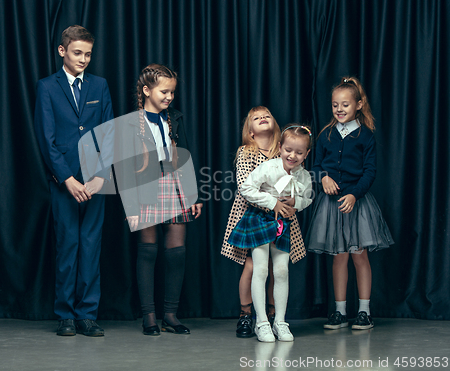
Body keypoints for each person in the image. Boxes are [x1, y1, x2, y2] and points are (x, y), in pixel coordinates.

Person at [34, 25, 114, 336]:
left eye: (88, 54)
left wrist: (100, 177)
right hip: (64, 182)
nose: (83, 59)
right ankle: (65, 314)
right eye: (77, 53)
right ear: (62, 51)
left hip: (95, 182)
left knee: (91, 246)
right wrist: (66, 178)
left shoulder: (100, 85)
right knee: (67, 246)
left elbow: (108, 134)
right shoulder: (47, 87)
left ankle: (87, 315)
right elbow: (46, 138)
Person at [118, 64, 203, 336]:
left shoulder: (174, 118)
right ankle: (149, 317)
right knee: (148, 249)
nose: (169, 97)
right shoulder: (131, 122)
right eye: (164, 91)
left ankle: (170, 315)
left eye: (172, 92)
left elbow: (185, 155)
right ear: (146, 90)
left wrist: (193, 194)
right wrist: (130, 205)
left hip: (174, 185)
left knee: (177, 252)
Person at [306, 76, 394, 330]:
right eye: (335, 105)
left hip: (357, 204)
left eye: (345, 104)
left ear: (358, 104)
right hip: (331, 206)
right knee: (339, 258)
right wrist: (322, 178)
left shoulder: (366, 136)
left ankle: (364, 311)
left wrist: (355, 194)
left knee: (359, 256)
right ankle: (339, 311)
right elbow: (317, 166)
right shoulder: (326, 135)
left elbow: (369, 171)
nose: (340, 109)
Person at [221, 107, 305, 338]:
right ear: (250, 131)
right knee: (253, 265)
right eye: (256, 118)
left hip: (283, 216)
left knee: (276, 266)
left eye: (267, 115)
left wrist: (294, 200)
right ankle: (246, 314)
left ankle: (273, 315)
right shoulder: (246, 152)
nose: (262, 118)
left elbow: (298, 183)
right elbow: (245, 185)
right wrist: (273, 202)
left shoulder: (285, 150)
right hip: (253, 214)